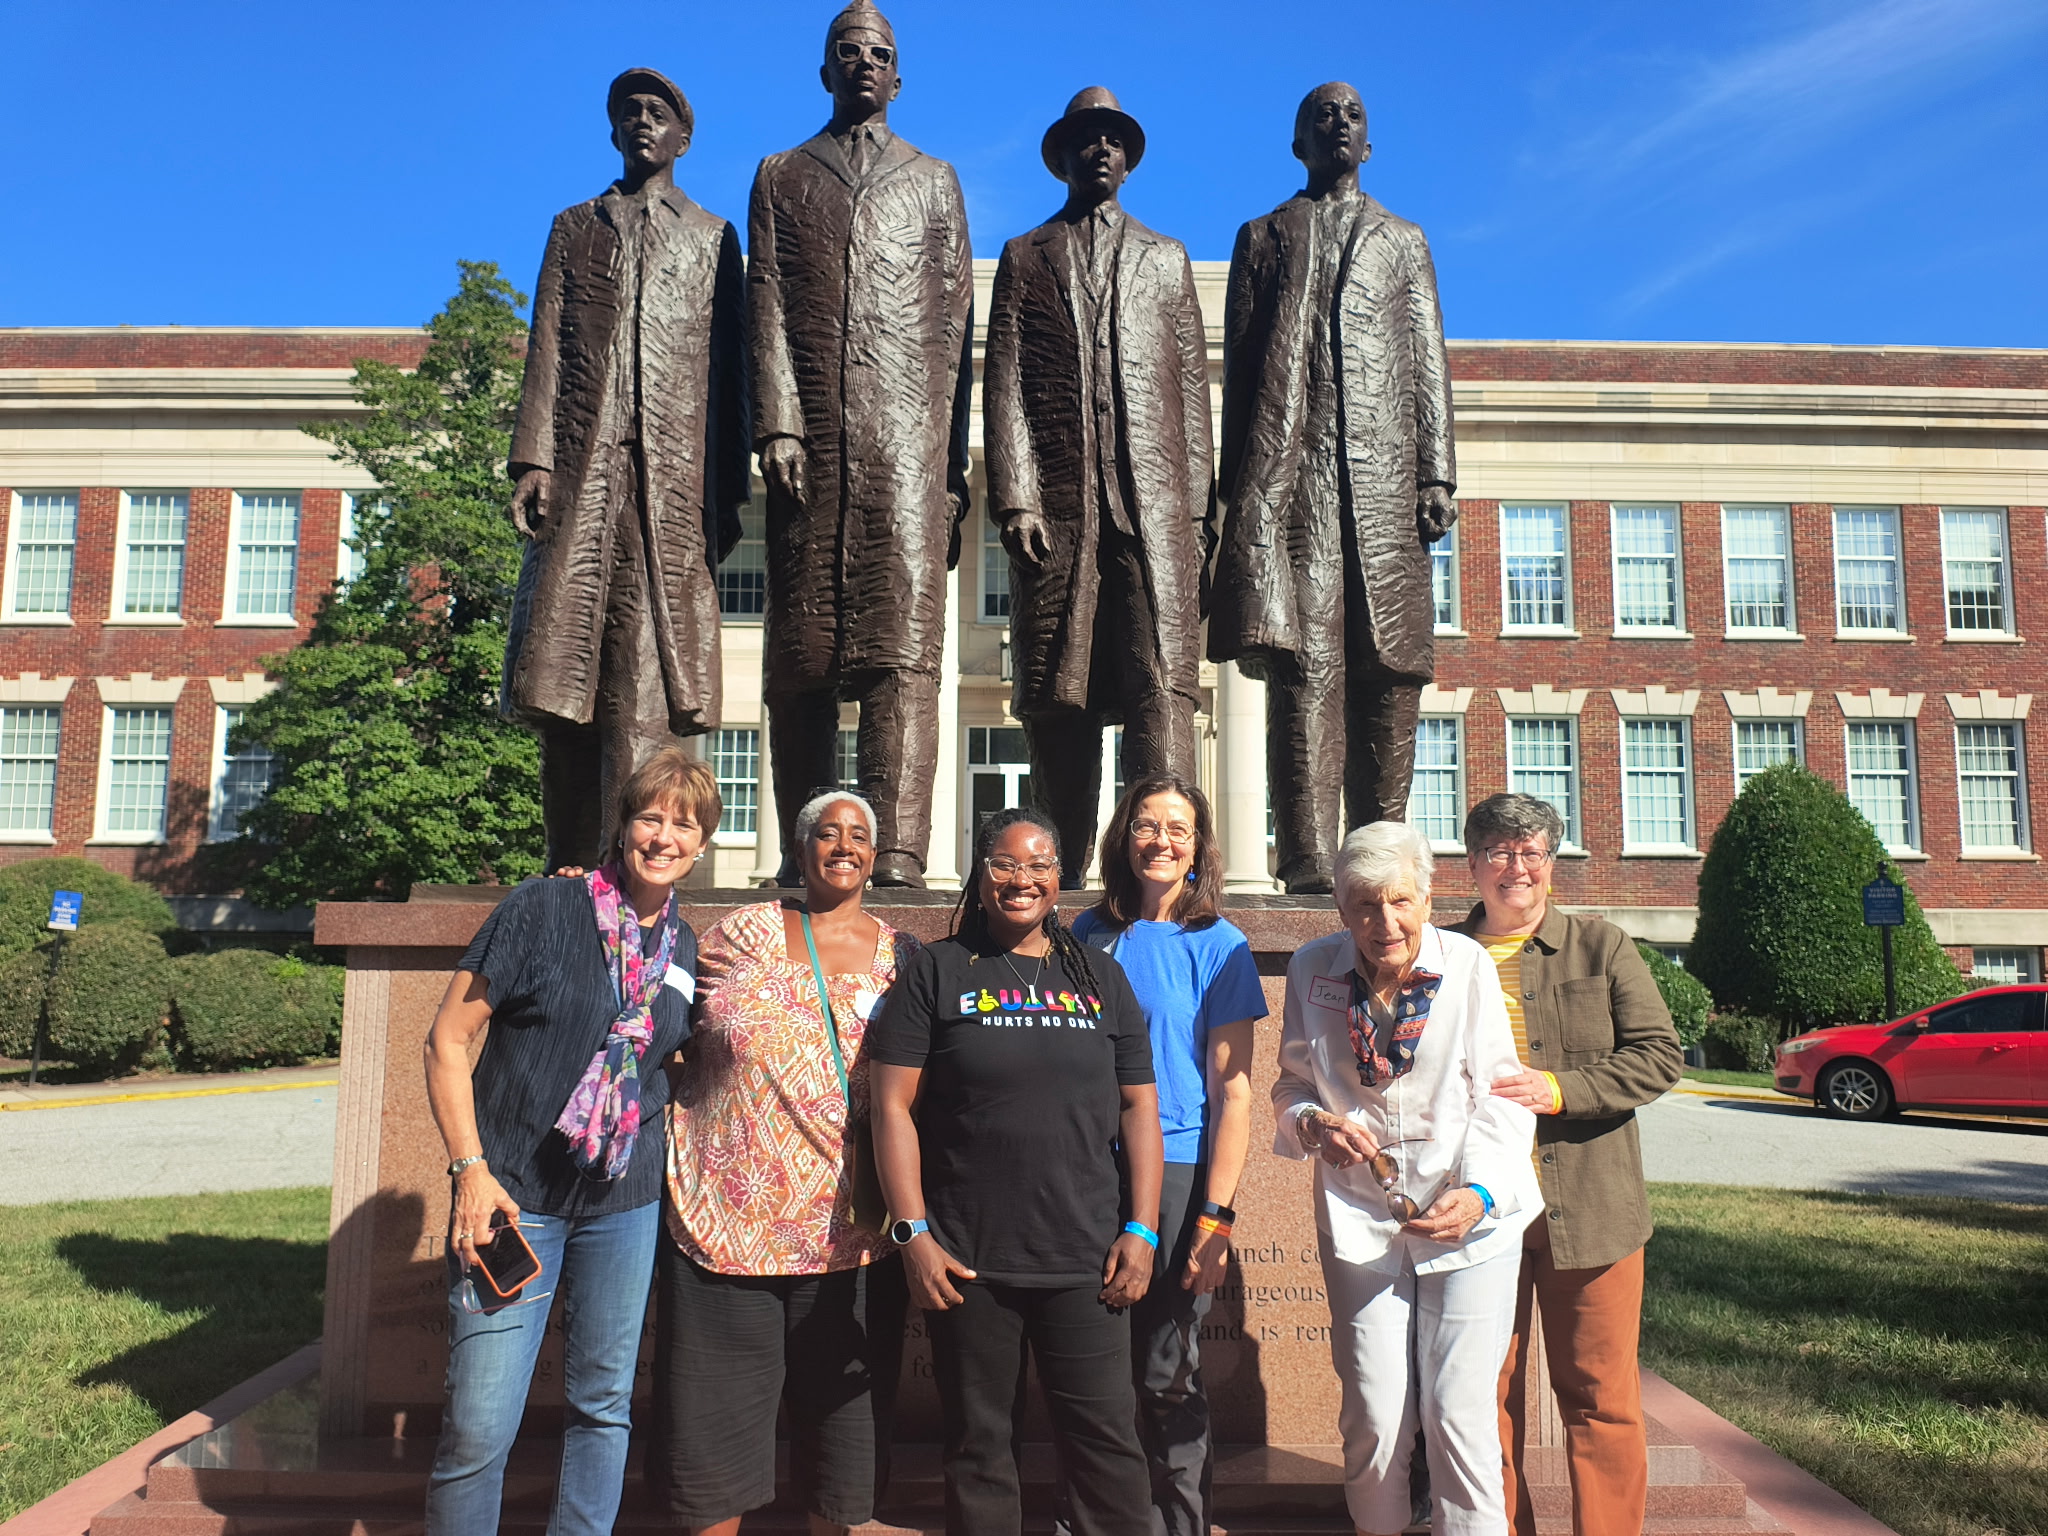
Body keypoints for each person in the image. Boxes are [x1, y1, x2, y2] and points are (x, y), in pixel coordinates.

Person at [422, 747, 716, 1536]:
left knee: (603, 1406)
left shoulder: (684, 949)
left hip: (623, 1203)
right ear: (622, 827)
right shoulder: (542, 909)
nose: (663, 836)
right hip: (513, 1195)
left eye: (682, 825)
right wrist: (471, 1173)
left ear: (702, 846)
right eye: (649, 817)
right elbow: (449, 1041)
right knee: (480, 1423)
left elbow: (675, 1061)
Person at [870, 806, 1162, 1536]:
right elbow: (892, 1109)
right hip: (971, 1261)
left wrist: (1143, 1228)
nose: (1021, 878)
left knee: (1107, 1452)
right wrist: (913, 1233)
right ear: (981, 872)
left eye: (1037, 864)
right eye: (1004, 863)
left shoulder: (1100, 975)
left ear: (1061, 878)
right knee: (979, 1450)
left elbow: (1138, 1110)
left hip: (1085, 1255)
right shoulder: (935, 970)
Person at [1207, 82, 1458, 894]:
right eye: (1323, 115)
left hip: (1384, 482)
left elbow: (1426, 356)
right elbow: (1242, 371)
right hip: (1296, 480)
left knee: (1388, 671)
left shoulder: (1403, 239)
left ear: (1369, 143)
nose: (1339, 124)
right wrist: (1233, 492)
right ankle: (1310, 860)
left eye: (1353, 116)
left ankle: (1380, 854)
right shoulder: (1265, 235)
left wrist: (1437, 469)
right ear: (1297, 142)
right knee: (1305, 670)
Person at [749, 0, 975, 888]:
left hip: (904, 452)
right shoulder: (781, 173)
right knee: (800, 663)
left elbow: (955, 329)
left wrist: (949, 472)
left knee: (902, 658)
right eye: (848, 51)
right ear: (825, 70)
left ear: (898, 74)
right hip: (812, 446)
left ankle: (903, 853)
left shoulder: (934, 178)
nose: (864, 64)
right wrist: (777, 419)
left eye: (879, 53)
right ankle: (801, 852)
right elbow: (764, 296)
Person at [501, 67, 749, 870]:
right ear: (613, 131)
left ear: (684, 135)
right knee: (562, 677)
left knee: (645, 681)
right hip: (585, 477)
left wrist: (726, 491)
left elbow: (732, 376)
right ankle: (566, 858)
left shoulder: (712, 238)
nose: (643, 123)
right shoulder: (575, 227)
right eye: (629, 113)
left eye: (659, 113)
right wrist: (533, 457)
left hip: (669, 493)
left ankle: (626, 863)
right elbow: (547, 344)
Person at [651, 790, 915, 1535]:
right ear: (800, 852)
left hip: (852, 1234)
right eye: (825, 833)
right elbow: (660, 1007)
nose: (843, 845)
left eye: (858, 835)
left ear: (875, 854)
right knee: (712, 1450)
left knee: (844, 1452)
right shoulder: (741, 934)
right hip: (726, 1223)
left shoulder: (905, 957)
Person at [1273, 821, 1538, 1536]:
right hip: (1363, 1218)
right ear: (1339, 906)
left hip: (1469, 1218)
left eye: (1398, 901)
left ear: (1427, 897)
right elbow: (1293, 1085)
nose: (1382, 923)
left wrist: (1480, 1192)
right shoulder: (1312, 970)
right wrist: (1312, 1125)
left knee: (1458, 1416)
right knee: (1373, 1418)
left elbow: (1502, 1093)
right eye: (1363, 904)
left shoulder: (1468, 967)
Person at [983, 87, 1213, 887]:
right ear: (1065, 155)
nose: (1102, 151)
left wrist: (1197, 519)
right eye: (1088, 140)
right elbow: (1004, 381)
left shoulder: (1165, 257)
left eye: (1115, 140)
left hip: (1154, 518)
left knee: (1162, 694)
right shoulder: (1026, 255)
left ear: (1130, 156)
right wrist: (1015, 494)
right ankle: (1062, 878)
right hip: (1060, 513)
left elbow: (1189, 400)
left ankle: (1169, 881)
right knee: (1059, 699)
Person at [1448, 793, 1682, 1536]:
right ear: (1473, 864)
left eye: (1531, 853)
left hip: (1589, 1201)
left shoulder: (1600, 947)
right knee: (1483, 1394)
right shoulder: (1441, 957)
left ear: (1551, 864)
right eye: (1499, 853)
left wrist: (1559, 1089)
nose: (1516, 868)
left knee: (1599, 1397)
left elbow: (1658, 1058)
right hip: (1477, 1208)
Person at [1069, 775, 1266, 1536]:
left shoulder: (1219, 945)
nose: (1161, 840)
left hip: (1181, 1172)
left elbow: (1236, 1095)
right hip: (1091, 1169)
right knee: (1093, 1369)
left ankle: (1178, 1523)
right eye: (1147, 825)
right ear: (1124, 838)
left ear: (1199, 847)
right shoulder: (1086, 935)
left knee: (1165, 1369)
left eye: (1178, 829)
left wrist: (1216, 1219)